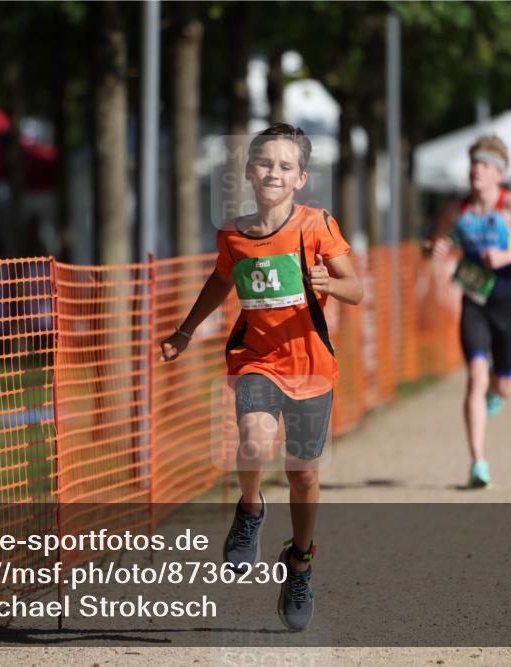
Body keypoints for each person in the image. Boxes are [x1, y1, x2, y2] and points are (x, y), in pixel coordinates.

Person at [159, 123, 363, 631]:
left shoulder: (317, 225)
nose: (274, 172)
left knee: (303, 475)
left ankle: (300, 562)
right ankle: (250, 509)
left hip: (312, 367)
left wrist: (331, 285)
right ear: (250, 172)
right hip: (255, 359)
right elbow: (220, 280)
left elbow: (357, 288)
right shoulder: (232, 234)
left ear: (300, 178)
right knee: (252, 442)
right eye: (265, 163)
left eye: (285, 166)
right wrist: (186, 331)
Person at [431, 136, 511, 488]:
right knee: (476, 378)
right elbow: (439, 241)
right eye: (473, 164)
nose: (476, 170)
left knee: (503, 385)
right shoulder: (457, 211)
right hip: (474, 301)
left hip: (508, 299)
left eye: (483, 165)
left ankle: (497, 396)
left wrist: (508, 257)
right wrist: (436, 246)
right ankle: (477, 462)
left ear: (499, 173)